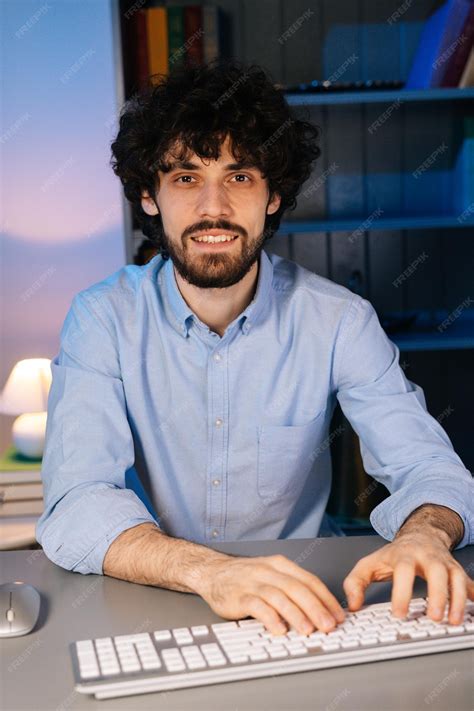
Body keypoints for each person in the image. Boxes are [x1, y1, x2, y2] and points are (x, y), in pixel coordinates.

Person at [37, 60, 473, 637]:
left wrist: (425, 532)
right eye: (186, 178)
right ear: (149, 196)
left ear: (273, 196)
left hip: (304, 606)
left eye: (240, 177)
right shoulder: (101, 318)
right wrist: (210, 573)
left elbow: (430, 467)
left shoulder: (338, 320)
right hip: (149, 597)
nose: (213, 208)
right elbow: (77, 499)